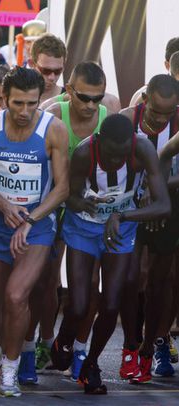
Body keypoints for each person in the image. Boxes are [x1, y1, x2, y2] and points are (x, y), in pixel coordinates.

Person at [0, 67, 69, 397]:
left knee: (15, 296)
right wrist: (4, 206)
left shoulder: (53, 130)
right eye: (18, 104)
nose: (25, 112)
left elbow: (62, 188)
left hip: (36, 228)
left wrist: (30, 219)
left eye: (32, 104)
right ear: (4, 99)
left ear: (41, 101)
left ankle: (11, 367)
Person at [58, 114, 170, 394]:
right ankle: (65, 340)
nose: (115, 161)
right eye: (109, 154)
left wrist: (122, 214)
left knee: (110, 304)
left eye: (121, 155)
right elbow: (68, 197)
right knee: (79, 304)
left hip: (119, 228)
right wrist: (83, 202)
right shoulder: (85, 152)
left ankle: (90, 365)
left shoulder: (143, 149)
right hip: (84, 226)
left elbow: (163, 205)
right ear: (99, 142)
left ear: (130, 145)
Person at [19, 61, 110, 384]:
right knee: (42, 283)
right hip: (52, 205)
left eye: (96, 99)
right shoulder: (51, 114)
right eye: (84, 97)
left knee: (92, 286)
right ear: (69, 90)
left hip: (86, 210)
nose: (90, 105)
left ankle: (80, 348)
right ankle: (30, 349)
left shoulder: (108, 114)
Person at [117, 74, 179, 383]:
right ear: (144, 100)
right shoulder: (127, 120)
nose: (160, 118)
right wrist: (141, 197)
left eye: (168, 113)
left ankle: (152, 346)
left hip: (166, 208)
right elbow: (113, 169)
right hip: (130, 206)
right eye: (155, 111)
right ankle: (130, 342)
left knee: (161, 281)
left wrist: (158, 194)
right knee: (130, 278)